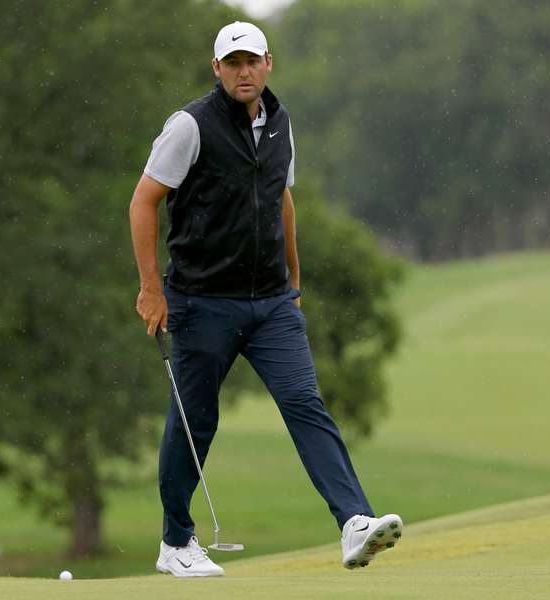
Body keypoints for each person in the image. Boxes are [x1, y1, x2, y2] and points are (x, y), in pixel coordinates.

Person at [129, 21, 402, 578]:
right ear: (217, 70)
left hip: (272, 303)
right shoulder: (190, 126)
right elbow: (143, 202)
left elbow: (283, 203)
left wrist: (293, 282)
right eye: (233, 63)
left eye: (252, 61)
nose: (243, 71)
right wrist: (151, 288)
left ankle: (354, 522)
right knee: (194, 420)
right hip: (202, 301)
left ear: (268, 63)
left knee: (305, 403)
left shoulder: (280, 124)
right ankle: (176, 541)